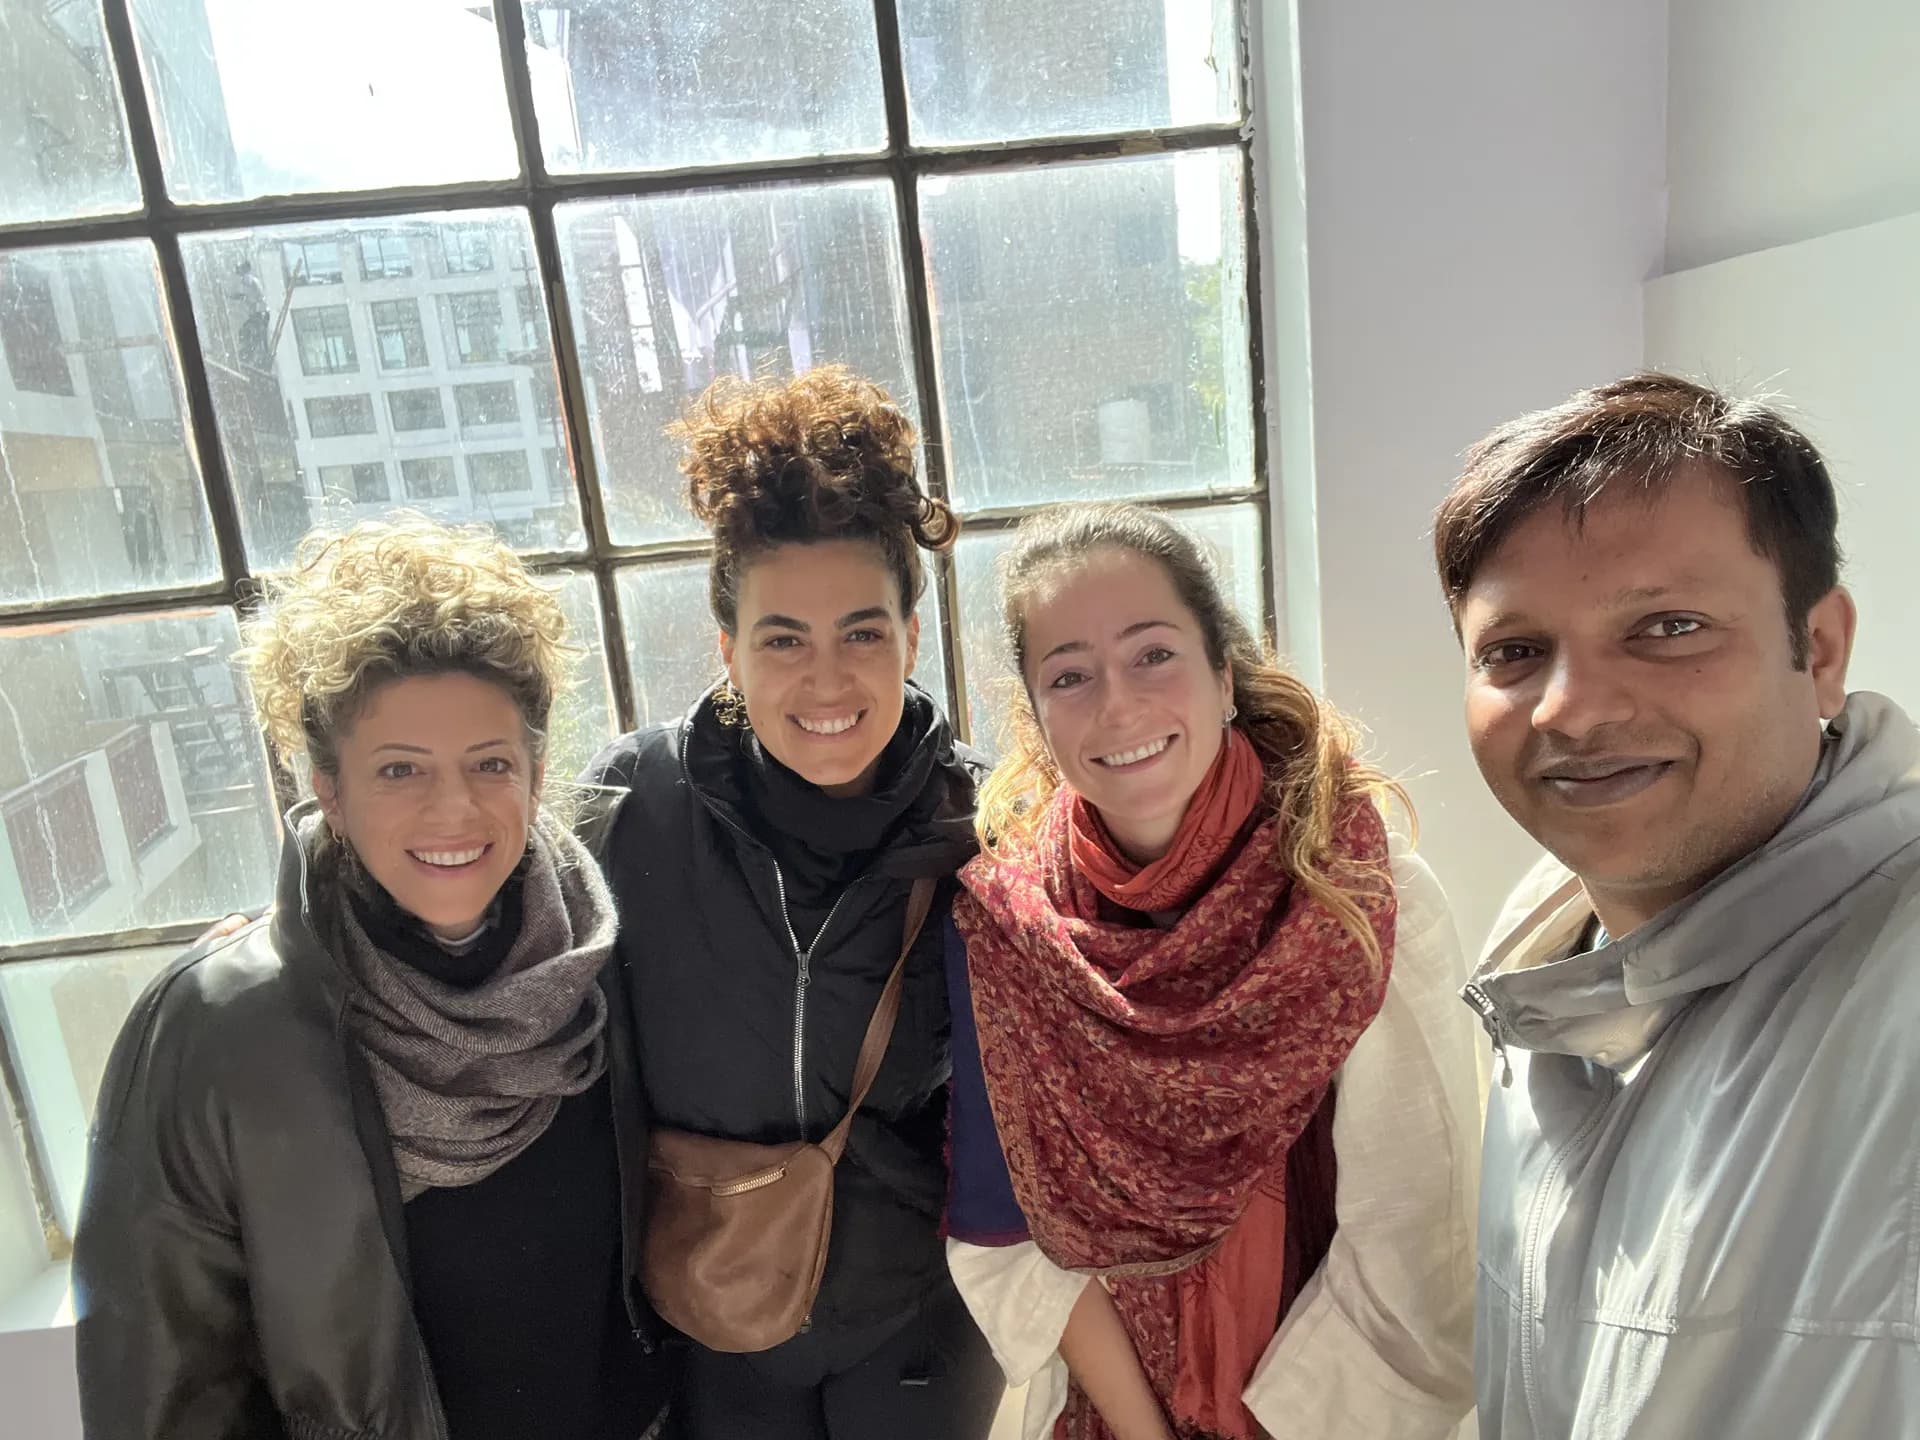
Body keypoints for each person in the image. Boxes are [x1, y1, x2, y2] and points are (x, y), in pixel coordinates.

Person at [72, 518, 674, 1440]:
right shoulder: (216, 1034)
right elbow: (165, 1394)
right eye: (399, 769)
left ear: (536, 772)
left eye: (490, 764)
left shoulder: (599, 959)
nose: (454, 810)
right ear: (329, 786)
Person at [1436, 373, 1920, 1436]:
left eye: (1669, 625)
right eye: (1515, 651)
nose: (1573, 707)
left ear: (1822, 649)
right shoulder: (1547, 946)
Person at [945, 502, 1479, 1440]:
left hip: (1320, 1411)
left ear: (1223, 672)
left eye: (1154, 654)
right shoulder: (1008, 926)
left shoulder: (1359, 891)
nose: (1118, 703)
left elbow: (1415, 1237)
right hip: (1107, 1411)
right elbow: (1004, 1230)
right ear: (1035, 718)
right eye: (1070, 675)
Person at [581, 367, 1003, 1439]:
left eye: (862, 634)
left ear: (913, 638)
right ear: (726, 650)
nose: (826, 682)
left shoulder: (985, 825)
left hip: (919, 1321)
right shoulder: (631, 810)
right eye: (783, 639)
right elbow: (472, 882)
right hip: (709, 1315)